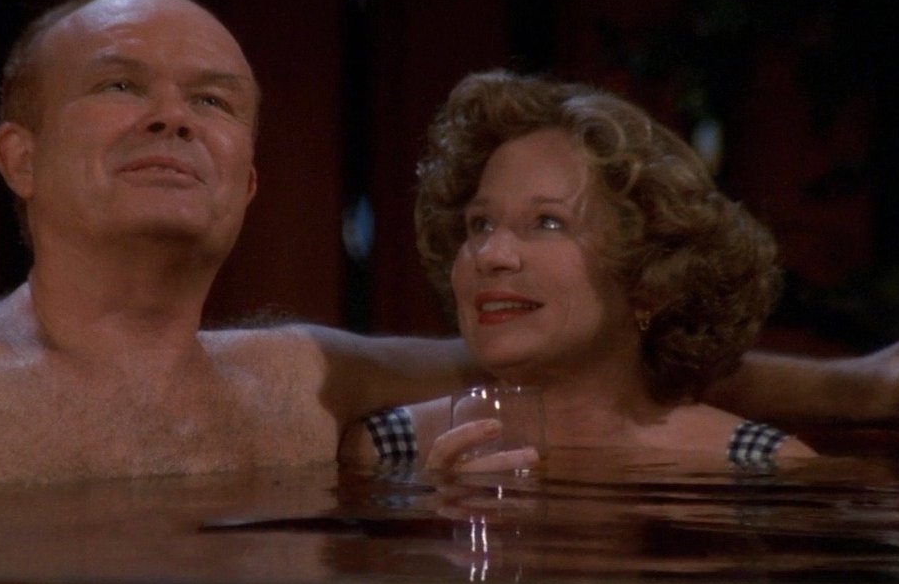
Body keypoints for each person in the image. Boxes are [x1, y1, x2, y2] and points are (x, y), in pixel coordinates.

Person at [0, 0, 899, 485]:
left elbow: (591, 360)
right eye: (120, 85)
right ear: (17, 157)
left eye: (211, 100)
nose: (170, 117)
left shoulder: (300, 385)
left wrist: (855, 393)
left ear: (244, 183)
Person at [342, 71, 816, 472]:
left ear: (651, 279)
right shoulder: (384, 453)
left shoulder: (761, 466)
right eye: (480, 224)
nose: (490, 254)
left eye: (548, 222)